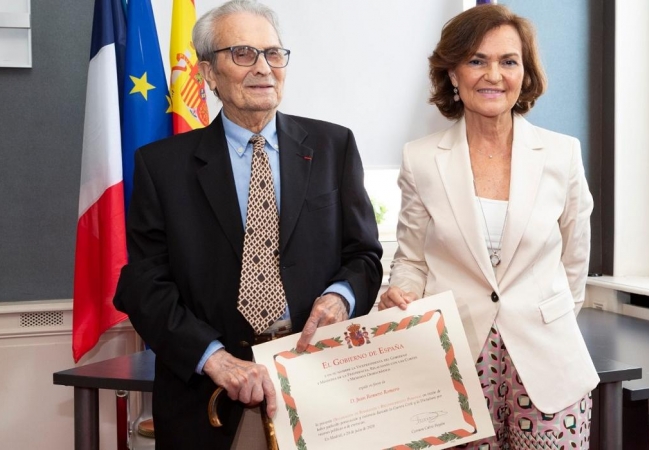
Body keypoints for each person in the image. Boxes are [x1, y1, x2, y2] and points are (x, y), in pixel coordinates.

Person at [113, 1, 382, 448]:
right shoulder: (162, 166)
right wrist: (213, 358)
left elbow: (364, 256)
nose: (263, 68)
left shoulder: (334, 146)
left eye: (274, 53)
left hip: (319, 391)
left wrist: (340, 297)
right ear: (207, 74)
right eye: (242, 53)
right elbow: (144, 285)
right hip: (207, 401)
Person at [378, 4, 598, 449]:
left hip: (548, 362)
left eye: (508, 61)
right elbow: (412, 259)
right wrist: (401, 289)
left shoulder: (562, 155)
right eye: (477, 60)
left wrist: (546, 319)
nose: (493, 75)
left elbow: (575, 259)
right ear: (453, 74)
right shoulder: (421, 159)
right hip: (453, 360)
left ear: (525, 74)